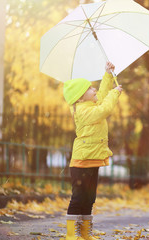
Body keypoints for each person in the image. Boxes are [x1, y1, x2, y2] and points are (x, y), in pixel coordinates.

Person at [62, 61, 123, 240]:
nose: (94, 89)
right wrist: (115, 93)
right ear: (80, 98)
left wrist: (107, 75)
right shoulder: (82, 111)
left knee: (90, 197)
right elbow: (105, 109)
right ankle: (72, 234)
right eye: (89, 88)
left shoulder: (91, 104)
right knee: (78, 197)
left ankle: (85, 232)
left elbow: (102, 95)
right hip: (81, 161)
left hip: (93, 159)